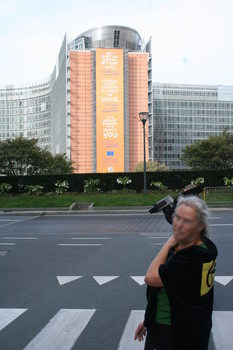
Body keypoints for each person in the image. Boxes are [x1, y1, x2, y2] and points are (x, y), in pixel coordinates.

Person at [134, 196, 218, 350]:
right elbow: (172, 292)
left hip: (174, 332)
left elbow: (151, 278)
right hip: (176, 326)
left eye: (187, 221)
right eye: (177, 217)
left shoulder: (191, 257)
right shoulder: (206, 246)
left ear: (200, 225)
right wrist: (149, 321)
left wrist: (170, 241)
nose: (179, 225)